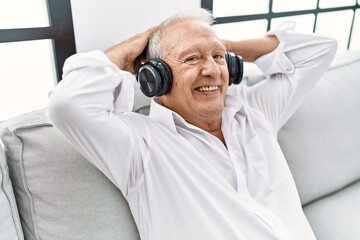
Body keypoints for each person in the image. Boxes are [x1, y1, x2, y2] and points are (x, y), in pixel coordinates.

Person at [48, 8, 337, 240]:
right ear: (156, 77)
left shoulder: (255, 111)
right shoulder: (140, 147)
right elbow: (67, 104)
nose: (211, 69)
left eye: (218, 58)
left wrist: (223, 46)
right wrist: (132, 49)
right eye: (192, 58)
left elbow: (321, 49)